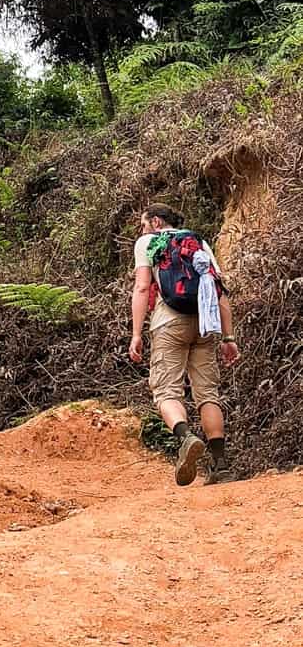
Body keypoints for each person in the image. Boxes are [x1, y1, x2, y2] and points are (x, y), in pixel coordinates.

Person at [129, 202, 240, 486]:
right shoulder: (198, 242)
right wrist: (228, 338)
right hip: (204, 323)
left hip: (169, 322)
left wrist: (137, 334)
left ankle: (185, 438)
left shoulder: (149, 242)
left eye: (143, 224)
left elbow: (142, 287)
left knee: (166, 391)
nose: (142, 231)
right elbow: (220, 290)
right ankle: (221, 465)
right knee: (207, 393)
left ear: (155, 222)